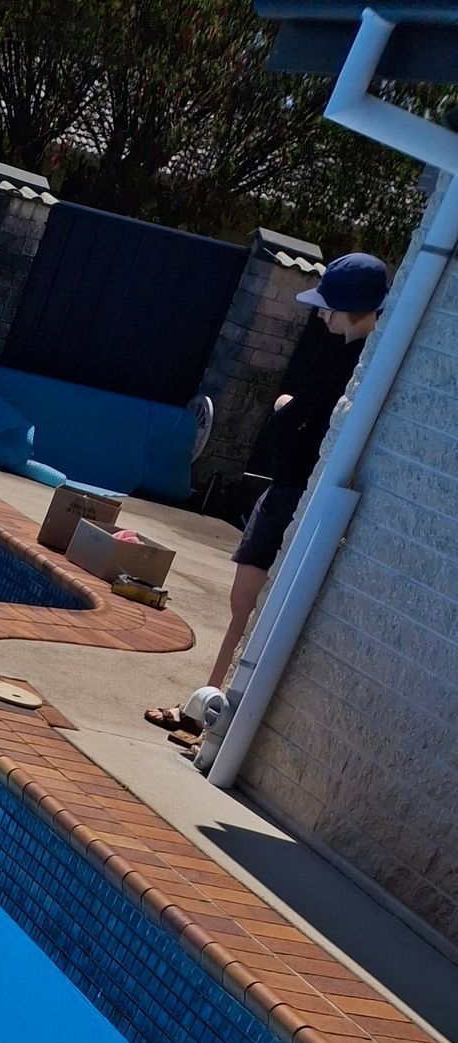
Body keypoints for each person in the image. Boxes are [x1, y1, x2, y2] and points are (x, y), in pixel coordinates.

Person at [147, 250, 388, 740]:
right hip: (288, 491)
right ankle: (206, 705)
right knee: (245, 609)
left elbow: (303, 419)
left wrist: (285, 407)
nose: (321, 313)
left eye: (329, 306)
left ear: (354, 308)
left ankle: (211, 713)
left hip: (294, 496)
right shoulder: (350, 353)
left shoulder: (354, 363)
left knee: (247, 608)